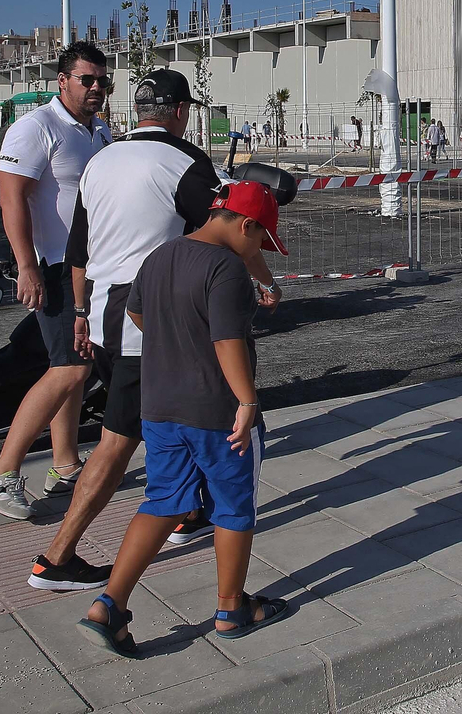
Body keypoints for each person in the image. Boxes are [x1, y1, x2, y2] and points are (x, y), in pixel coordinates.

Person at [26, 69, 282, 590]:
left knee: (164, 424)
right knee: (120, 441)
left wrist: (80, 314)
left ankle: (189, 513)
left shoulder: (101, 159)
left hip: (103, 311)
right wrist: (266, 282)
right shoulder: (185, 162)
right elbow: (230, 228)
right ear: (183, 112)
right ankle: (56, 557)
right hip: (152, 314)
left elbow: (80, 249)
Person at [76, 181, 293, 655]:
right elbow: (226, 341)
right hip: (217, 411)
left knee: (164, 501)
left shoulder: (161, 256)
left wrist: (178, 341)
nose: (259, 250)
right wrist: (247, 401)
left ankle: (108, 604)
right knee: (235, 506)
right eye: (260, 239)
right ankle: (231, 608)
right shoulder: (227, 270)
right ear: (245, 224)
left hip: (159, 407)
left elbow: (136, 313)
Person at [0, 41, 113, 519]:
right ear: (63, 82)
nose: (96, 88)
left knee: (77, 362)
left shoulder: (99, 131)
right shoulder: (36, 128)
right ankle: (0, 473)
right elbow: (12, 198)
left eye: (102, 80)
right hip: (52, 266)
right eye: (86, 80)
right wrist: (27, 266)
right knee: (69, 370)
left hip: (87, 266)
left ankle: (65, 463)